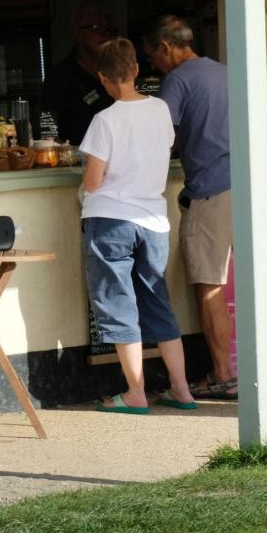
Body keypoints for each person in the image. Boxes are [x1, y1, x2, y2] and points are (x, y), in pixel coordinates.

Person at [143, 15, 267, 399]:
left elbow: (156, 136)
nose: (153, 64)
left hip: (211, 192)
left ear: (166, 47)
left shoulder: (178, 81)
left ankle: (224, 375)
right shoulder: (231, 72)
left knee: (209, 285)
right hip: (251, 188)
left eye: (152, 56)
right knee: (266, 277)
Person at [80, 38, 196, 414]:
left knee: (117, 303)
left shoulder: (104, 120)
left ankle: (135, 393)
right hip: (153, 220)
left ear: (102, 77)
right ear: (135, 70)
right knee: (158, 302)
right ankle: (181, 390)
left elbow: (94, 181)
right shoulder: (160, 109)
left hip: (111, 219)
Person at [43, 4, 117, 145]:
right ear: (78, 35)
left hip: (116, 156)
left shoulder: (117, 70)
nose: (105, 34)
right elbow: (48, 125)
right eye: (97, 28)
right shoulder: (60, 76)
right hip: (76, 159)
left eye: (109, 30)